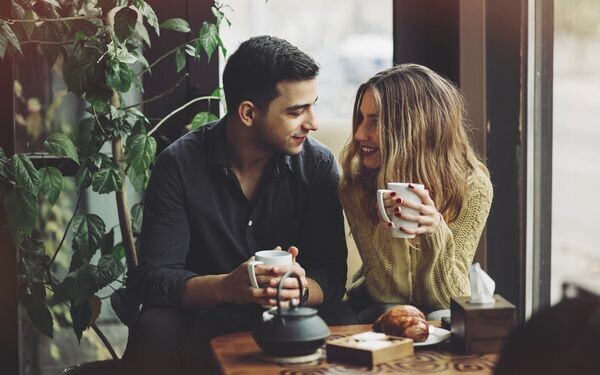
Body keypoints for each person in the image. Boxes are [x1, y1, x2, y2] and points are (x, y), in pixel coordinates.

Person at [123, 35, 353, 374]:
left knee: (344, 320)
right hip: (205, 314)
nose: (313, 123)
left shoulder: (317, 165)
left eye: (312, 105)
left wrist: (298, 288)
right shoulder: (179, 164)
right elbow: (157, 279)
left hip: (292, 317)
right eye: (296, 111)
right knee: (154, 327)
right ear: (248, 113)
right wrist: (227, 287)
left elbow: (331, 276)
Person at [339, 63, 493, 323]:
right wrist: (394, 229)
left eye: (375, 122)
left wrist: (434, 231)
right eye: (361, 119)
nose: (359, 134)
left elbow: (448, 299)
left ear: (413, 128)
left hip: (440, 306)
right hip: (374, 305)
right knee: (392, 314)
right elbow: (388, 294)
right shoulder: (356, 185)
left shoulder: (473, 186)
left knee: (447, 320)